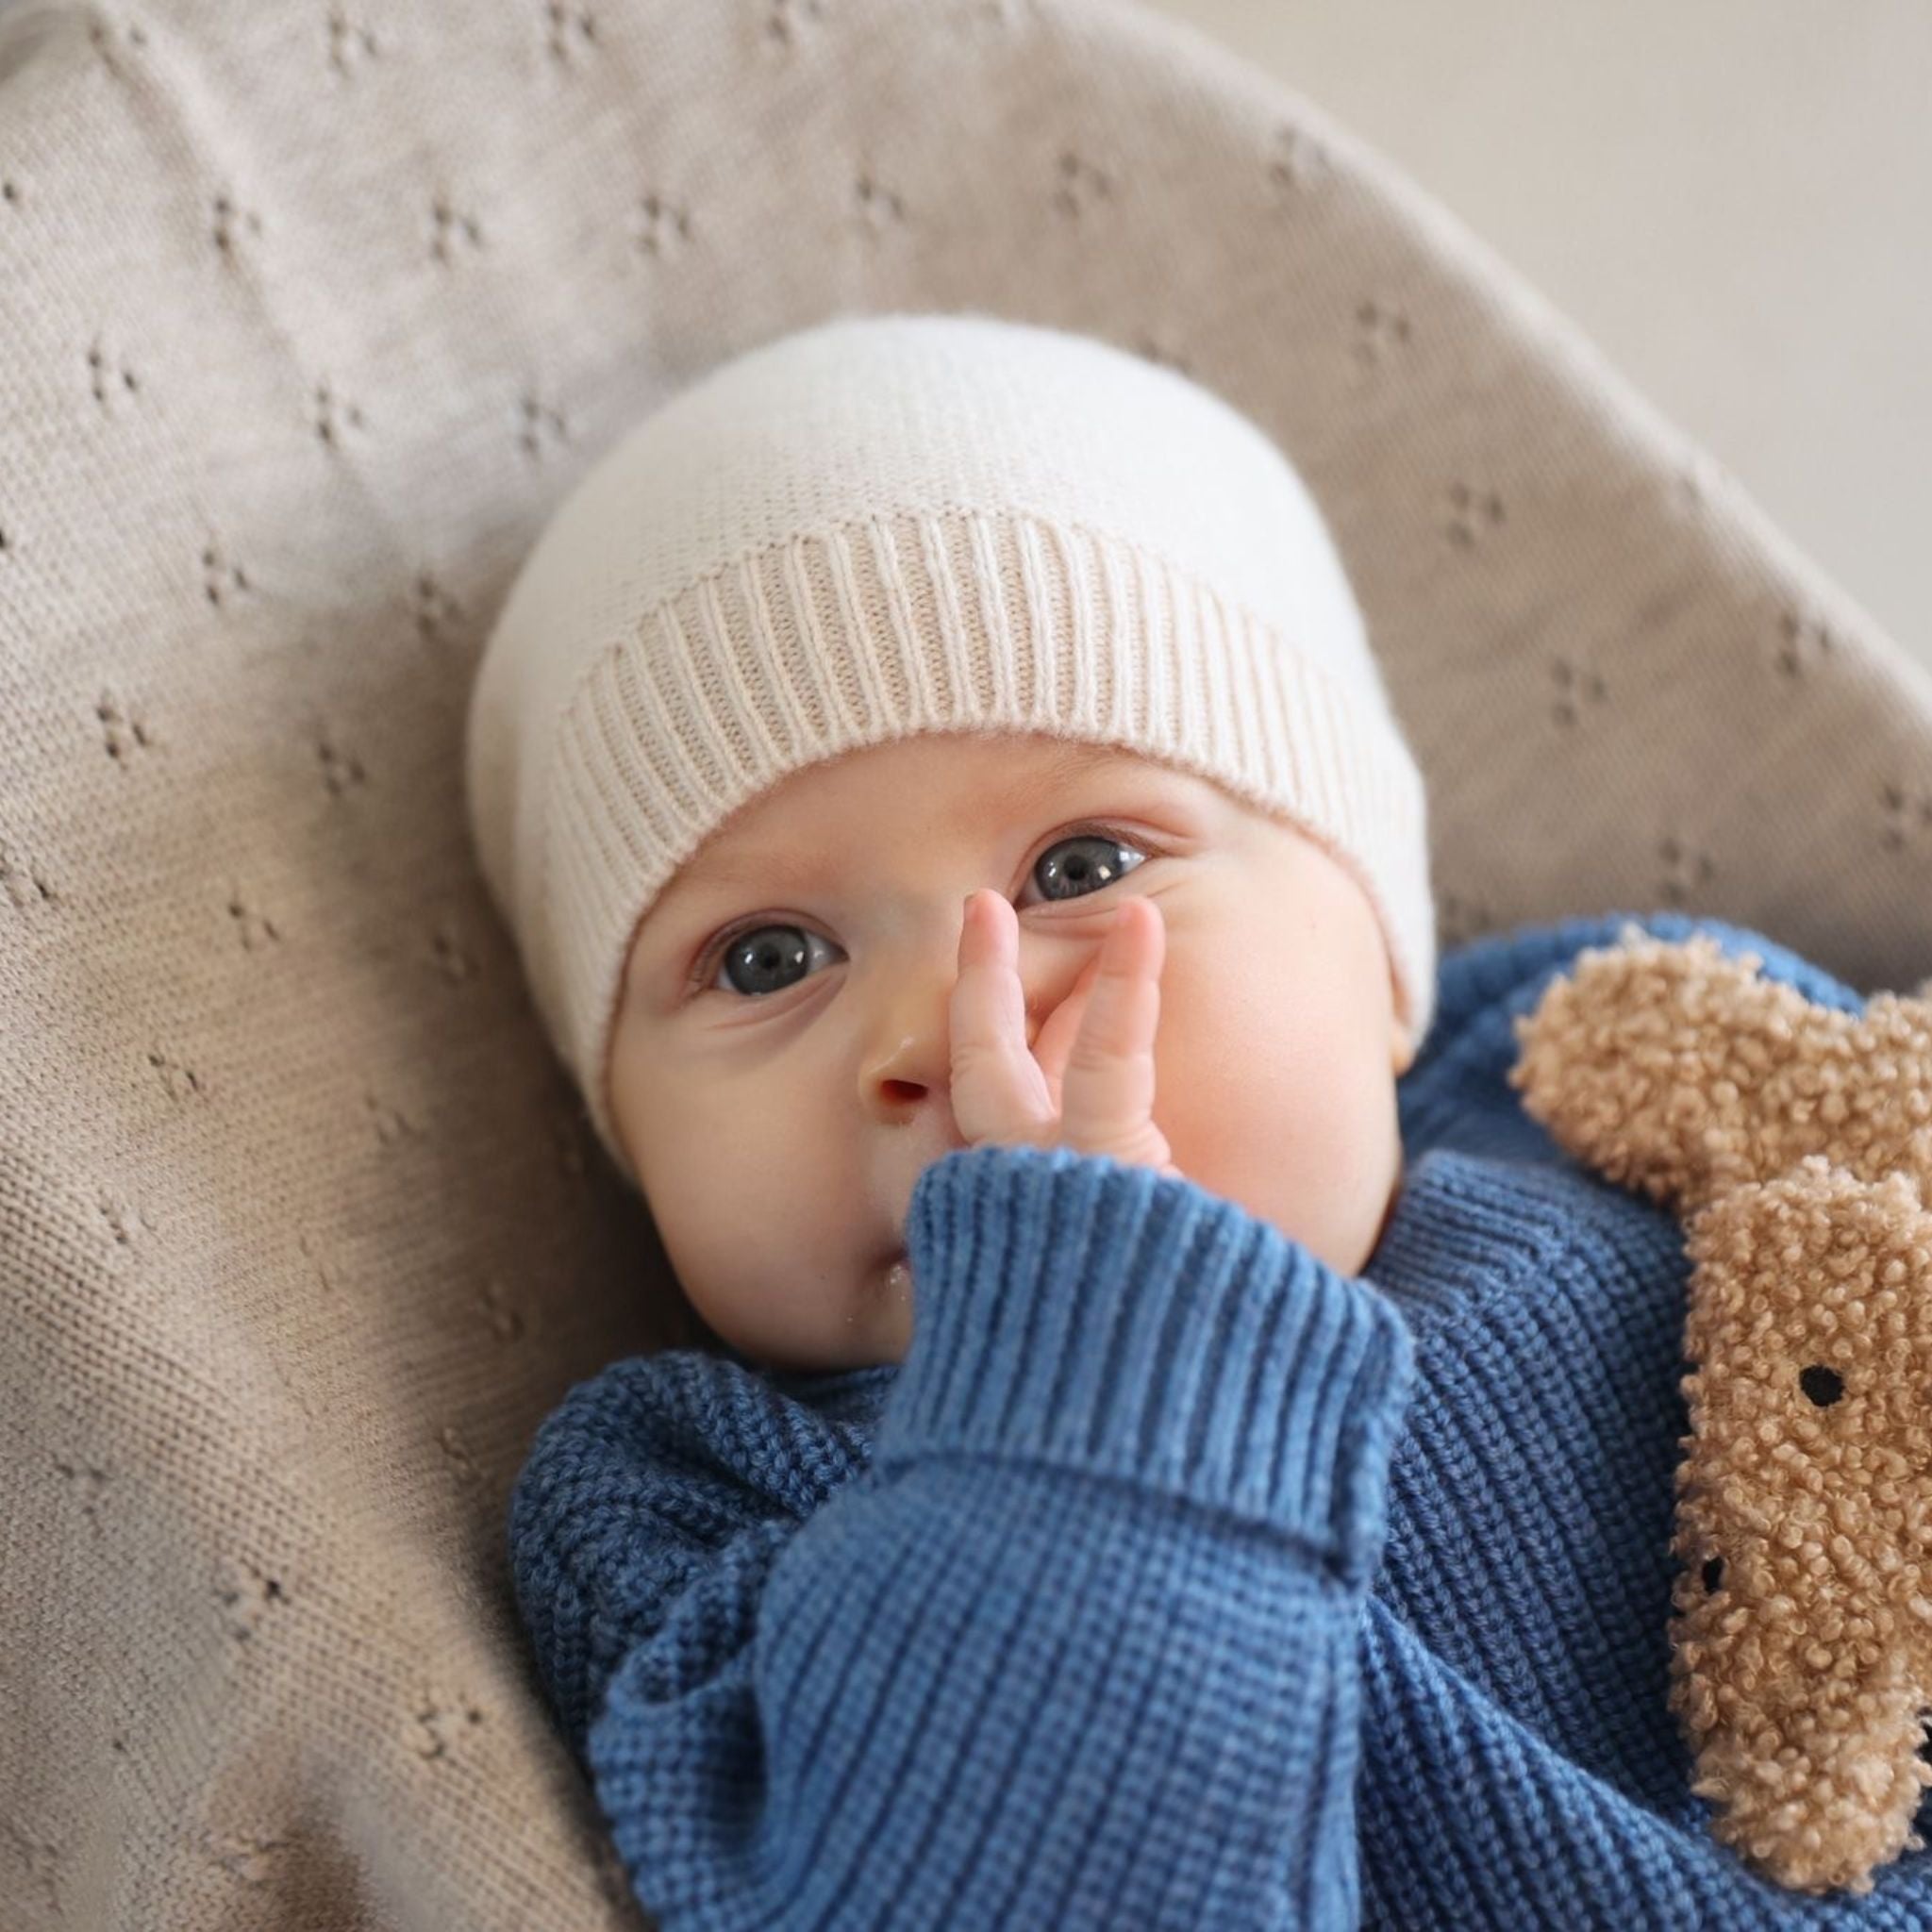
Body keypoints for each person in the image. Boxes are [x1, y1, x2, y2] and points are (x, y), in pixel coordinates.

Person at [465, 309, 1932, 1925]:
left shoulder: (1606, 1066)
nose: (948, 1027)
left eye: (1082, 868)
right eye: (767, 959)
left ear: (1382, 957)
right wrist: (1091, 1322)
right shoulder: (691, 1496)